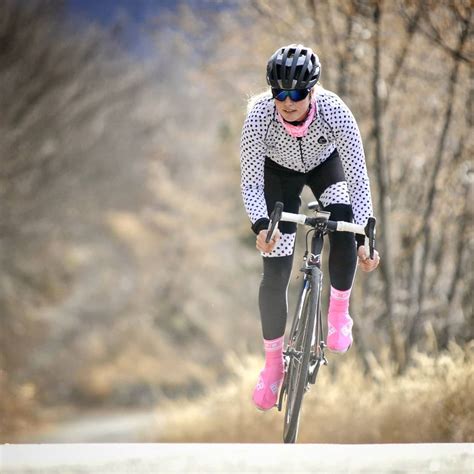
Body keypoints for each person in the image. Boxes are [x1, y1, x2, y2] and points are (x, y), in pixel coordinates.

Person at [240, 44, 380, 411]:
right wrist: (260, 226)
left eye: (297, 93)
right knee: (275, 270)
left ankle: (337, 314)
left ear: (312, 91)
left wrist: (366, 235)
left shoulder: (335, 112)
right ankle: (273, 367)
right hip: (277, 177)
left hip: (324, 166)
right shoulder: (258, 117)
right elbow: (252, 183)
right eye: (280, 93)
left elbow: (358, 179)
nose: (287, 101)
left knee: (343, 221)